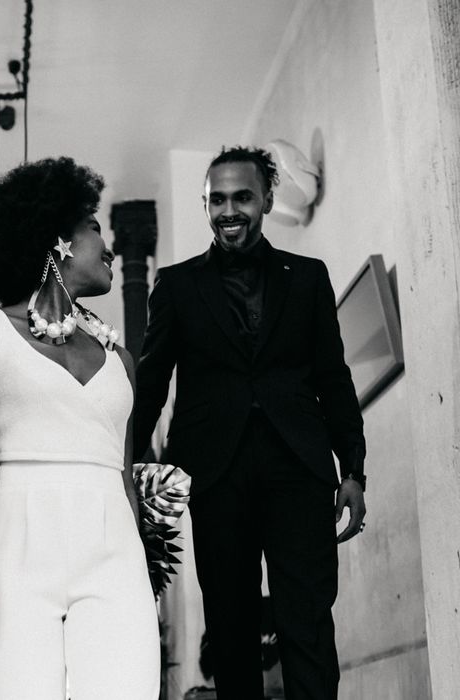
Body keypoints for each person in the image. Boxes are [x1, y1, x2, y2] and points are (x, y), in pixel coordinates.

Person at [0, 157, 160, 700]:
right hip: (19, 544)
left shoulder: (122, 360)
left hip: (114, 550)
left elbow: (123, 478)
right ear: (56, 240)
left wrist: (144, 558)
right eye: (94, 227)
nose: (109, 244)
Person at [133, 146, 366, 700]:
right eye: (217, 199)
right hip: (216, 476)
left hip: (299, 471)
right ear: (205, 204)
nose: (228, 210)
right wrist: (132, 466)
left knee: (307, 622)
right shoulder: (177, 285)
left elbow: (333, 379)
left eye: (241, 197)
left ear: (265, 199)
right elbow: (150, 383)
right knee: (231, 630)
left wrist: (353, 469)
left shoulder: (308, 279)